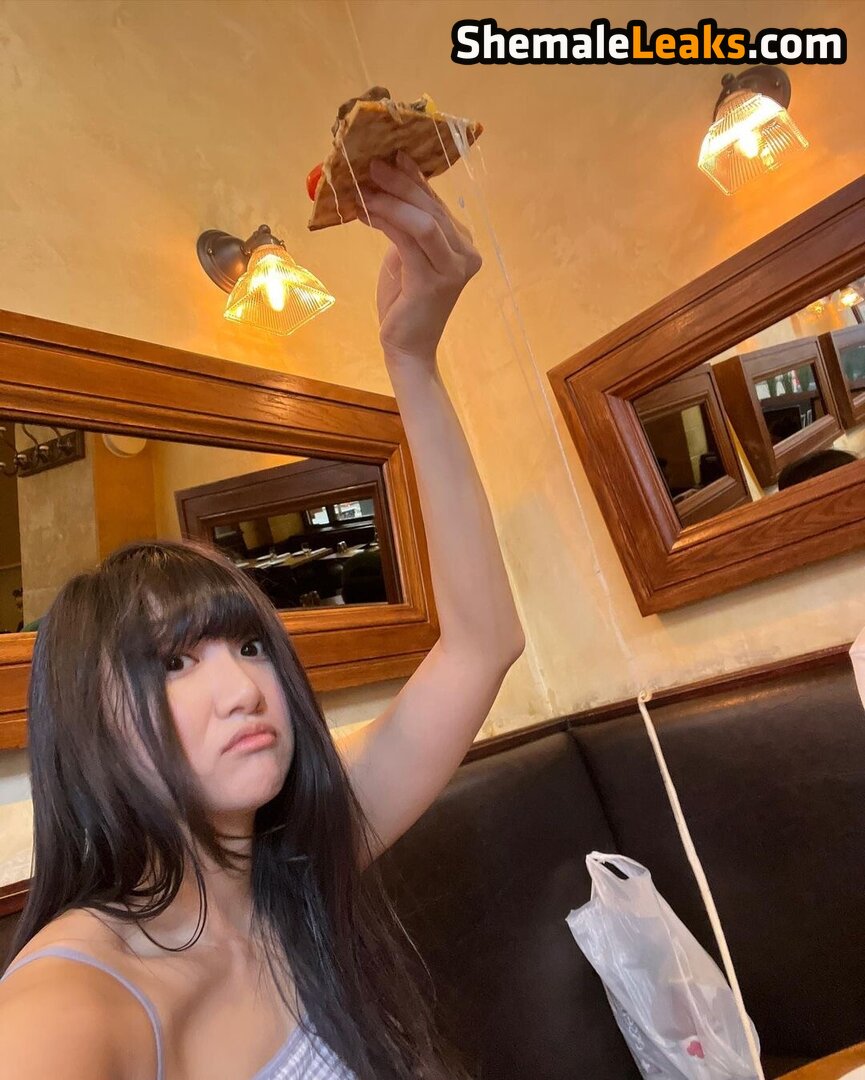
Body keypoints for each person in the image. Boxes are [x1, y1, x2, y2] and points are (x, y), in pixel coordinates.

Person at [0, 152, 525, 1080]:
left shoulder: (291, 864)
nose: (244, 688)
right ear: (88, 721)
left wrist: (411, 361)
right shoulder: (76, 999)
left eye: (248, 644)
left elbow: (484, 644)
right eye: (172, 663)